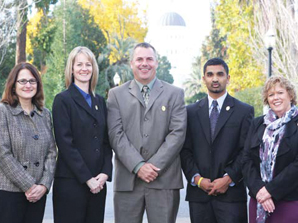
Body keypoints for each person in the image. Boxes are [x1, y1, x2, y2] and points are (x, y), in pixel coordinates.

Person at [107, 42, 187, 223]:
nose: (145, 63)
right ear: (132, 63)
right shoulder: (116, 95)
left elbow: (178, 133)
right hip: (128, 180)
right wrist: (138, 166)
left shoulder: (175, 94)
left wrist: (153, 167)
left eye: (149, 59)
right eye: (140, 59)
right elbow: (116, 135)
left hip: (164, 181)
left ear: (157, 63)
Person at [180, 58, 254, 223]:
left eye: (220, 74)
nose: (215, 79)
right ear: (203, 79)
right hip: (200, 197)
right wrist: (198, 180)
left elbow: (246, 150)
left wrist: (228, 179)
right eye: (210, 74)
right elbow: (185, 150)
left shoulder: (244, 111)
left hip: (231, 197)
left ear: (228, 78)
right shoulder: (190, 112)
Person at [52, 46, 113, 223]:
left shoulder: (100, 101)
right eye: (79, 64)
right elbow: (65, 144)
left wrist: (105, 173)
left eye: (88, 64)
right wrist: (87, 178)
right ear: (71, 68)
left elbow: (106, 141)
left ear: (93, 68)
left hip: (98, 184)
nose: (84, 68)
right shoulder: (62, 100)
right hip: (72, 183)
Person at [0, 62, 57, 223]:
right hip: (9, 193)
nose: (28, 85)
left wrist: (44, 186)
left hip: (38, 194)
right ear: (13, 85)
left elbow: (52, 153)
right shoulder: (3, 111)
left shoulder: (44, 114)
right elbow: (3, 153)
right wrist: (29, 186)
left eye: (32, 81)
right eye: (22, 81)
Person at [242, 76, 298, 223]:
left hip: (289, 201)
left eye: (280, 93)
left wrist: (270, 190)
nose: (276, 98)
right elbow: (246, 159)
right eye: (271, 94)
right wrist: (260, 190)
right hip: (258, 199)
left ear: (290, 95)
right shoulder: (257, 124)